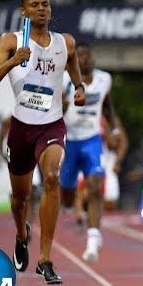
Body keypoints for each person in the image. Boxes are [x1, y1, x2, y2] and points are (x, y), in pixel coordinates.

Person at [0, 0, 86, 284]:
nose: (41, 9)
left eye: (45, 5)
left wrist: (78, 87)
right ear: (23, 12)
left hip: (51, 125)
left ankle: (45, 259)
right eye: (34, 5)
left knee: (51, 178)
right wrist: (12, 62)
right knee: (20, 198)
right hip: (22, 128)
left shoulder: (66, 42)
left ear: (51, 11)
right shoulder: (11, 41)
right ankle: (21, 233)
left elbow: (73, 59)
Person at [61, 43, 122, 263]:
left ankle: (93, 239)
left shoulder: (104, 79)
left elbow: (107, 105)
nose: (84, 60)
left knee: (96, 183)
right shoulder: (65, 80)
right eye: (80, 57)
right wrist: (64, 105)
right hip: (69, 141)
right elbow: (55, 108)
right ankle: (73, 207)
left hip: (92, 140)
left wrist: (114, 129)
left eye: (88, 56)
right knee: (66, 196)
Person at [0, 116, 42, 223]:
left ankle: (28, 225)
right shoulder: (9, 121)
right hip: (13, 160)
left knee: (31, 192)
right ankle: (19, 223)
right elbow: (0, 142)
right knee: (15, 195)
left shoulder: (35, 120)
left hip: (29, 159)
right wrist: (5, 156)